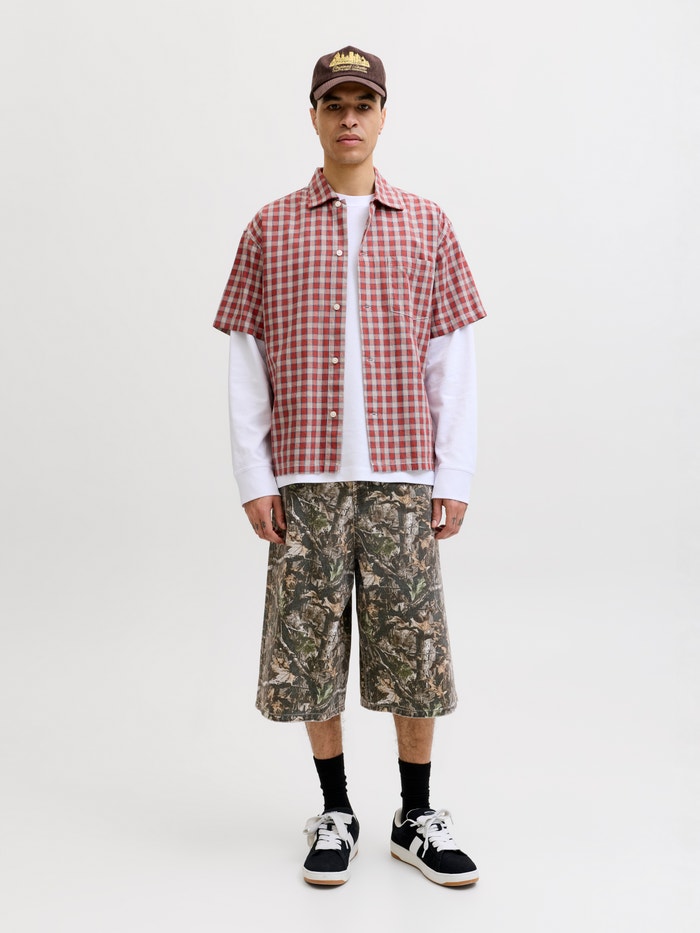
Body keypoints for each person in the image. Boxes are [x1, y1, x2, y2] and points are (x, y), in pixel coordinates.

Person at [213, 45, 486, 887]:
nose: (349, 118)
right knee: (310, 652)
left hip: (403, 478)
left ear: (383, 115)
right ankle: (335, 808)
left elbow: (452, 358)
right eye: (334, 104)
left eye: (363, 104)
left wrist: (454, 474)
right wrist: (255, 476)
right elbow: (247, 360)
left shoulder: (428, 224)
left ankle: (415, 815)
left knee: (414, 648)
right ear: (314, 116)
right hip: (306, 481)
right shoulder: (270, 227)